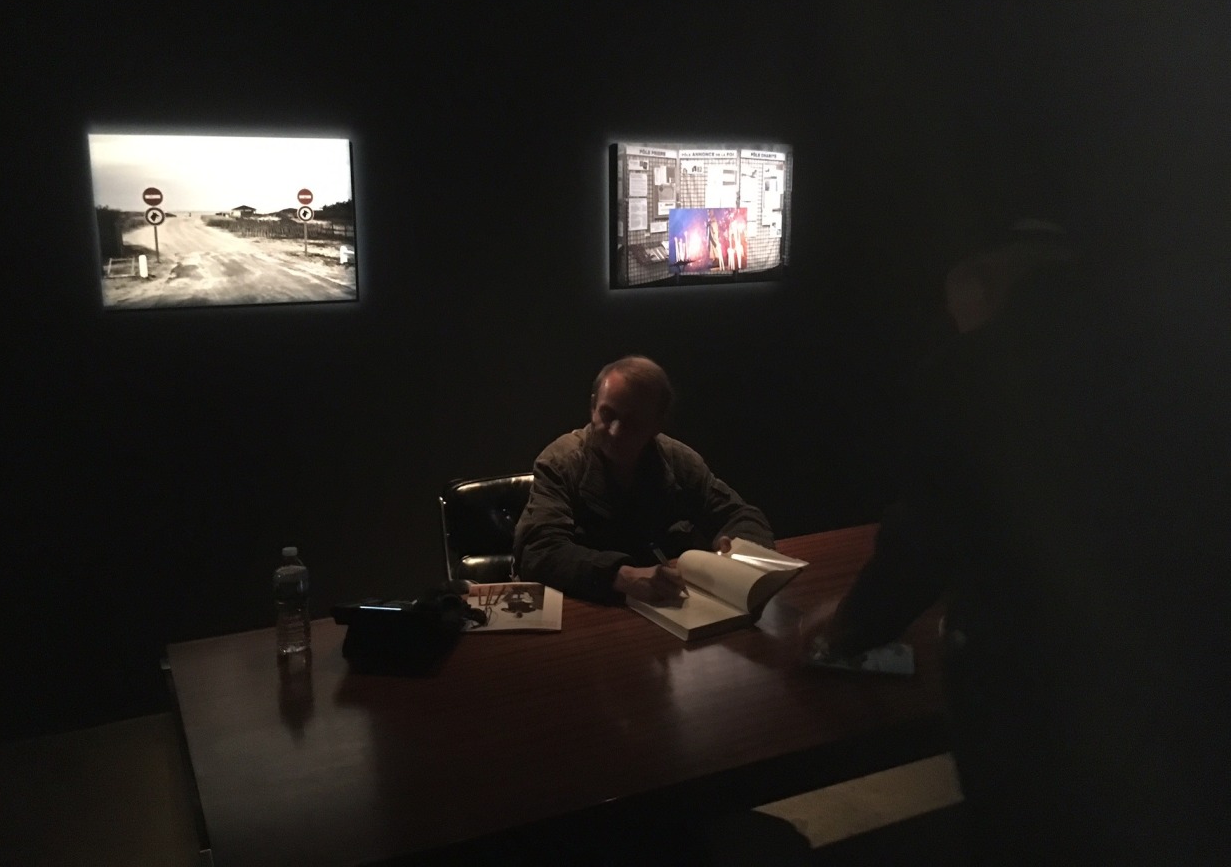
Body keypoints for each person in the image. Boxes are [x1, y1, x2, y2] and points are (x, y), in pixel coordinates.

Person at [808, 225, 1230, 864]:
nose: (959, 329)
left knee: (1021, 830)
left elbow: (927, 532)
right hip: (1180, 665)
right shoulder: (1168, 346)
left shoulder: (974, 371)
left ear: (981, 290)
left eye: (960, 315)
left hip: (1026, 678)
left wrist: (848, 628)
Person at [514, 355, 776, 606]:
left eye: (632, 422)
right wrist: (622, 576)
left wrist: (736, 549)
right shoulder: (561, 462)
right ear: (593, 406)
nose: (615, 431)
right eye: (607, 414)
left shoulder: (678, 460)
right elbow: (539, 551)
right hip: (590, 608)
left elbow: (741, 515)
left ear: (658, 422)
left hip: (668, 605)